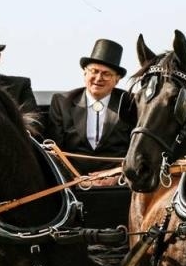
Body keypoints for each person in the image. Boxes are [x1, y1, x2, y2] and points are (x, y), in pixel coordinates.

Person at [46, 39, 137, 174]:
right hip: (72, 180)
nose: (98, 78)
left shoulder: (131, 103)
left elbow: (138, 150)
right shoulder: (62, 102)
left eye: (106, 74)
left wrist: (117, 176)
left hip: (118, 180)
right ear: (85, 72)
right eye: (94, 71)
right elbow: (54, 150)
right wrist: (74, 178)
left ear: (117, 79)